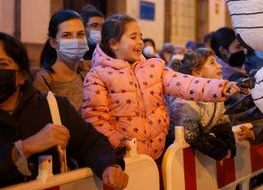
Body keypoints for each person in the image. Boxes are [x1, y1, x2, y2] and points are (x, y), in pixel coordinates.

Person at [0, 32, 127, 189]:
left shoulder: (53, 105)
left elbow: (91, 142)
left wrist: (109, 165)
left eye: (2, 64)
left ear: (21, 75)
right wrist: (24, 148)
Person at [81, 14, 240, 161]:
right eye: (133, 37)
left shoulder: (153, 68)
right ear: (114, 43)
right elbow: (95, 117)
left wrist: (220, 87)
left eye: (141, 37)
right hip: (125, 158)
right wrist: (118, 142)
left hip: (158, 154)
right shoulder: (97, 76)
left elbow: (186, 83)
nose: (140, 42)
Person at [167, 48, 236, 161]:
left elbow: (222, 121)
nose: (220, 66)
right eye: (212, 63)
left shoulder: (216, 95)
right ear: (197, 73)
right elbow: (192, 135)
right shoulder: (184, 102)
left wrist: (229, 145)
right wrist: (221, 151)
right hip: (178, 161)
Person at [33, 10, 90, 110]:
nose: (75, 40)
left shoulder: (90, 72)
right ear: (53, 43)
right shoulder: (43, 80)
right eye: (66, 35)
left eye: (80, 34)